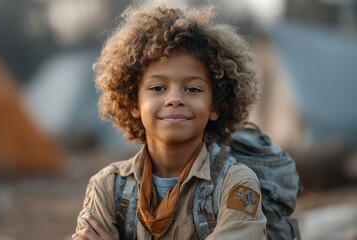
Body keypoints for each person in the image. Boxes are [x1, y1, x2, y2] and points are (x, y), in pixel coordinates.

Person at [72, 2, 266, 240]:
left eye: (193, 89)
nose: (174, 99)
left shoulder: (235, 184)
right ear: (134, 102)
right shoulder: (108, 187)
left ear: (215, 105)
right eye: (157, 87)